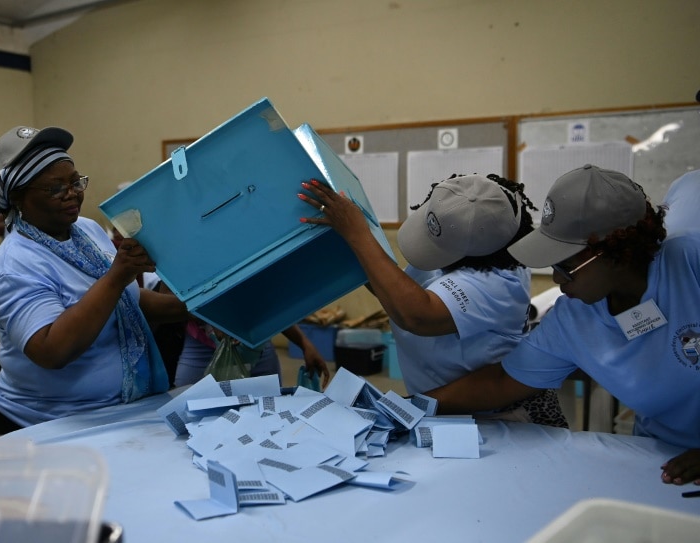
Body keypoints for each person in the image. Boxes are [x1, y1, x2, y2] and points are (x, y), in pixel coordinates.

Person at [408, 164, 700, 486]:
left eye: (566, 267)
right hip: (664, 457)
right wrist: (409, 406)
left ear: (617, 253)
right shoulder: (573, 317)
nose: (559, 282)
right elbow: (502, 381)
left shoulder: (690, 263)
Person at [299, 174, 567, 427]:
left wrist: (358, 234)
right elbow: (395, 291)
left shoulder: (500, 282)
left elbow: (415, 315)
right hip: (445, 406)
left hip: (500, 416)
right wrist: (345, 242)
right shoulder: (464, 248)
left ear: (470, 254)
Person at [0, 125, 190, 434]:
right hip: (52, 422)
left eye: (75, 181)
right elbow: (51, 350)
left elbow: (128, 301)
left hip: (121, 408)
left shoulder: (87, 230)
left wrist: (195, 305)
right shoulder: (14, 265)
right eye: (55, 188)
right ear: (18, 197)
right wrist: (118, 276)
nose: (73, 193)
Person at [175, 322, 331, 389]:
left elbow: (271, 302)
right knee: (189, 411)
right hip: (201, 348)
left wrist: (304, 343)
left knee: (268, 414)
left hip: (258, 346)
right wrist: (211, 315)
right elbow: (171, 296)